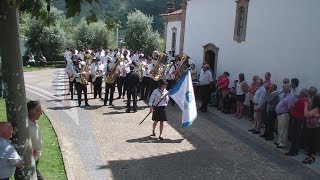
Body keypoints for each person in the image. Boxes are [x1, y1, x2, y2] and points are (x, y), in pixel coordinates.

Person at [285, 89, 309, 156]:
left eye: (301, 93)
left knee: (295, 135)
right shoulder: (307, 101)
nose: (299, 94)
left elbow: (292, 106)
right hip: (301, 119)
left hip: (297, 119)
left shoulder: (300, 101)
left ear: (303, 94)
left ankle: (293, 151)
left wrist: (292, 112)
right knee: (297, 135)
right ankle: (295, 150)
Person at [27, 101, 44, 180]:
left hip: (35, 159)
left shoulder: (33, 121)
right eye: (39, 110)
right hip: (29, 160)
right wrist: (31, 150)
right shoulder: (26, 126)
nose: (41, 113)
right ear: (31, 112)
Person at [301, 95, 320, 164]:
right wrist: (308, 104)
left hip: (315, 129)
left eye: (312, 99)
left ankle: (310, 158)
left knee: (313, 144)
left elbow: (307, 114)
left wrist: (305, 105)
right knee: (311, 143)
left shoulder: (317, 109)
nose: (311, 99)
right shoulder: (314, 107)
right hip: (311, 127)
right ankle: (310, 157)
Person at [275, 84, 295, 148]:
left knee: (284, 130)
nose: (283, 89)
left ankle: (283, 143)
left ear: (287, 89)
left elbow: (290, 107)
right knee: (280, 128)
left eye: (284, 88)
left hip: (285, 114)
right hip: (280, 114)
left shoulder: (290, 97)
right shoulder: (285, 95)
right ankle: (280, 140)